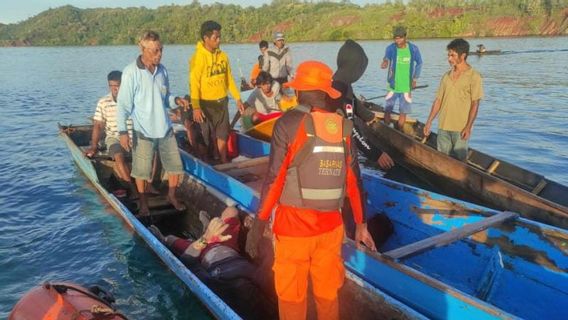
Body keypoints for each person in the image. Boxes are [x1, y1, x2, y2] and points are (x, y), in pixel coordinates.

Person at [246, 61, 376, 320]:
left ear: (299, 92)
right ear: (327, 93)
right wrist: (361, 225)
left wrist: (258, 225)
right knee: (328, 297)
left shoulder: (287, 124)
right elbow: (353, 182)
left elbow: (274, 181)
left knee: (293, 300)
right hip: (330, 231)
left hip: (292, 231)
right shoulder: (343, 127)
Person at [149, 207, 276, 319]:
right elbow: (267, 261)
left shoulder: (216, 285)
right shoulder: (263, 283)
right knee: (232, 210)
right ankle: (208, 228)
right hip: (228, 246)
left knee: (170, 239)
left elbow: (188, 260)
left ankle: (167, 238)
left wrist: (206, 239)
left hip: (203, 251)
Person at [117, 30, 189, 215]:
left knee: (174, 166)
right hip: (143, 131)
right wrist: (123, 131)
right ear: (143, 49)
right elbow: (123, 105)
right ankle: (143, 203)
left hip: (164, 128)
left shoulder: (162, 70)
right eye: (154, 51)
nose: (159, 54)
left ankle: (171, 196)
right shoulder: (131, 72)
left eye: (161, 50)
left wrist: (176, 100)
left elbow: (166, 98)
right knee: (141, 171)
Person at [331, 39, 395, 171]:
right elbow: (351, 129)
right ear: (354, 67)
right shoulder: (340, 89)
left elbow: (354, 102)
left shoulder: (340, 80)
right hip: (336, 151)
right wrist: (376, 154)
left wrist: (368, 116)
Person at [190, 20, 244, 164]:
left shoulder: (223, 56)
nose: (219, 40)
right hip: (205, 104)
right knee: (206, 137)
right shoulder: (198, 58)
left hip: (222, 102)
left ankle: (223, 161)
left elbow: (229, 79)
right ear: (206, 39)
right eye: (215, 38)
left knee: (222, 134)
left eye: (220, 37)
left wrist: (238, 98)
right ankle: (206, 162)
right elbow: (194, 83)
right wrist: (196, 107)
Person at [423, 38, 483, 161]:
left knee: (460, 161)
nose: (449, 59)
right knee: (442, 160)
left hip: (460, 128)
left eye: (453, 55)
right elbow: (438, 101)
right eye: (449, 55)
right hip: (443, 126)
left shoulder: (474, 77)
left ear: (463, 55)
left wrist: (468, 127)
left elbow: (475, 104)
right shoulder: (446, 76)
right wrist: (429, 121)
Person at [85, 71, 136, 196]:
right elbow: (97, 125)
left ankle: (148, 186)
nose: (115, 89)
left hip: (134, 137)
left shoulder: (133, 100)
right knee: (118, 157)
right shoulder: (104, 102)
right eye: (111, 86)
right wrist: (94, 146)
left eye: (118, 85)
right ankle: (133, 190)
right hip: (114, 138)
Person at [380, 25, 423, 130]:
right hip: (392, 85)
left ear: (405, 37)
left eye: (400, 38)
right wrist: (385, 62)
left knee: (403, 112)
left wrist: (415, 79)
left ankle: (399, 131)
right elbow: (386, 58)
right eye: (396, 38)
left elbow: (419, 63)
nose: (397, 40)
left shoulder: (413, 49)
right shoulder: (391, 48)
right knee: (388, 109)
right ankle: (386, 129)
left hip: (406, 86)